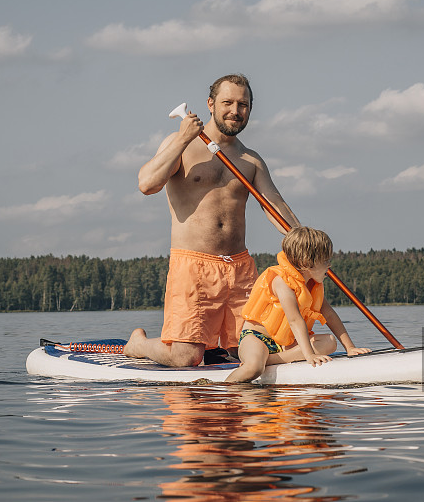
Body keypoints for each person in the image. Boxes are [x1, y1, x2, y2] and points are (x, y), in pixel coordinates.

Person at [123, 74, 300, 367]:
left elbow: (274, 205)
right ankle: (140, 344)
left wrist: (305, 241)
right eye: (227, 102)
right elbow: (147, 184)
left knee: (252, 348)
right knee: (185, 357)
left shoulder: (250, 160)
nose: (235, 110)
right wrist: (182, 137)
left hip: (240, 269)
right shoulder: (181, 144)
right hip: (193, 265)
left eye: (243, 104)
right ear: (210, 104)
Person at [225, 227, 371, 383]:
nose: (329, 265)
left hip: (287, 345)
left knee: (330, 342)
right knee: (253, 369)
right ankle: (224, 390)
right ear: (307, 263)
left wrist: (350, 347)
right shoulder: (281, 282)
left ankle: (269, 360)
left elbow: (330, 316)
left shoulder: (312, 286)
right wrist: (309, 355)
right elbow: (295, 320)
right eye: (325, 260)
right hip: (258, 338)